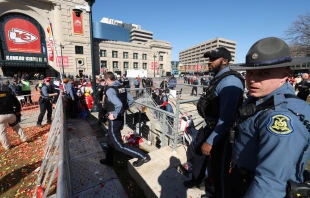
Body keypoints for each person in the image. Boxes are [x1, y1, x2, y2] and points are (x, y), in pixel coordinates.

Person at [230, 37, 310, 197]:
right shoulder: (261, 98)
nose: (252, 79)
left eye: (264, 73)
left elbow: (270, 183)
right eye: (250, 72)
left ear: (285, 74)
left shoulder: (280, 117)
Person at [185, 47, 244, 198]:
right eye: (208, 59)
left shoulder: (231, 82)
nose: (209, 62)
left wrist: (211, 141)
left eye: (212, 59)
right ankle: (197, 181)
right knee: (198, 153)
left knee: (219, 169)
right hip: (210, 126)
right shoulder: (219, 77)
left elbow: (227, 118)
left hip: (222, 133)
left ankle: (217, 193)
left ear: (224, 61)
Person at [100, 72, 151, 167]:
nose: (105, 83)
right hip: (121, 118)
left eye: (105, 81)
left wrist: (114, 114)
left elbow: (118, 104)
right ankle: (109, 160)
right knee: (111, 141)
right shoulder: (121, 87)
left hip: (114, 120)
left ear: (107, 79)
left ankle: (143, 156)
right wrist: (123, 109)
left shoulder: (110, 90)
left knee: (118, 145)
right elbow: (131, 100)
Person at [0, 83, 28, 150]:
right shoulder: (8, 94)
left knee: (2, 132)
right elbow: (17, 103)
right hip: (11, 114)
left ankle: (6, 146)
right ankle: (24, 138)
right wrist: (18, 111)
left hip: (0, 116)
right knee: (17, 127)